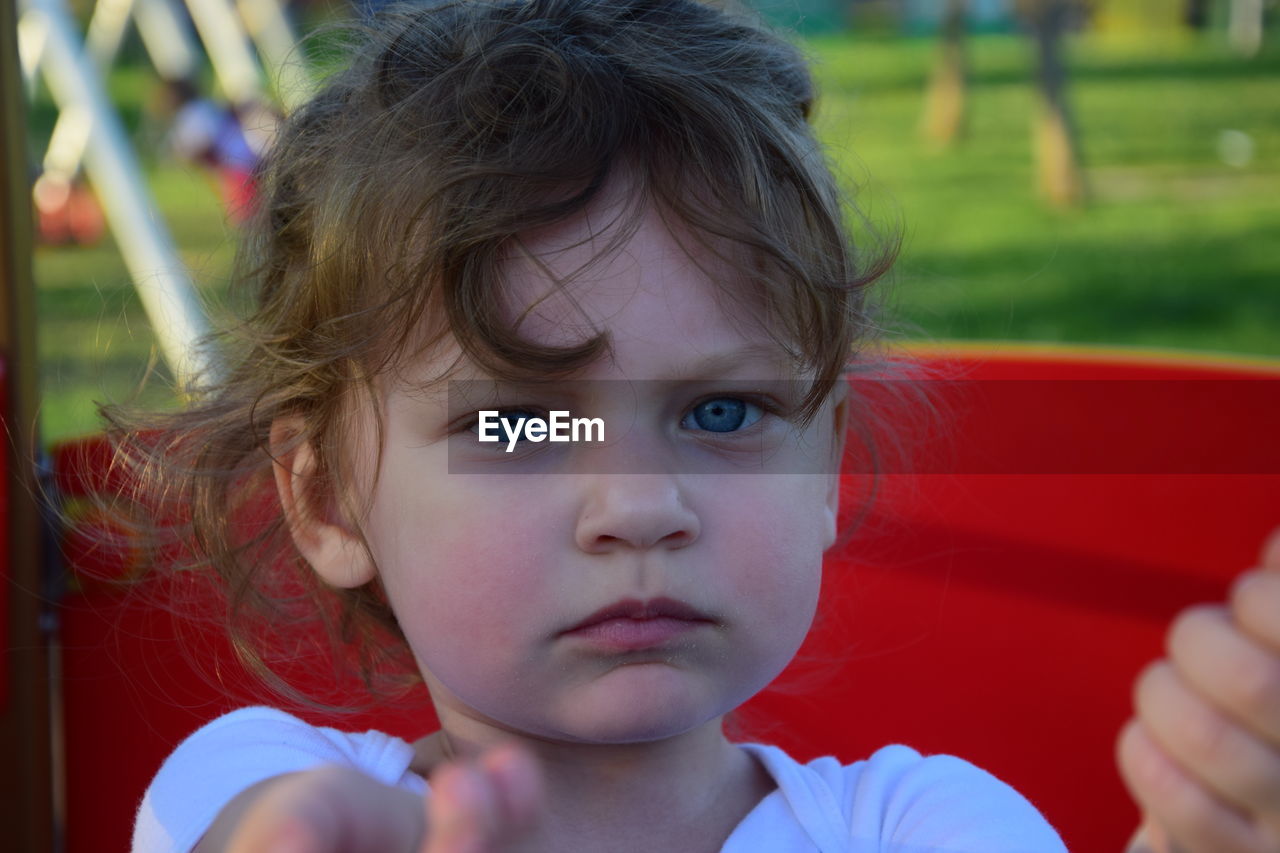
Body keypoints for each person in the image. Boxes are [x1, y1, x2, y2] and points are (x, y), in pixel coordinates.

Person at [113, 0, 1280, 850]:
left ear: (822, 468)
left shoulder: (921, 824)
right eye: (521, 425)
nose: (637, 504)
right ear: (325, 499)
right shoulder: (264, 785)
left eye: (721, 411)